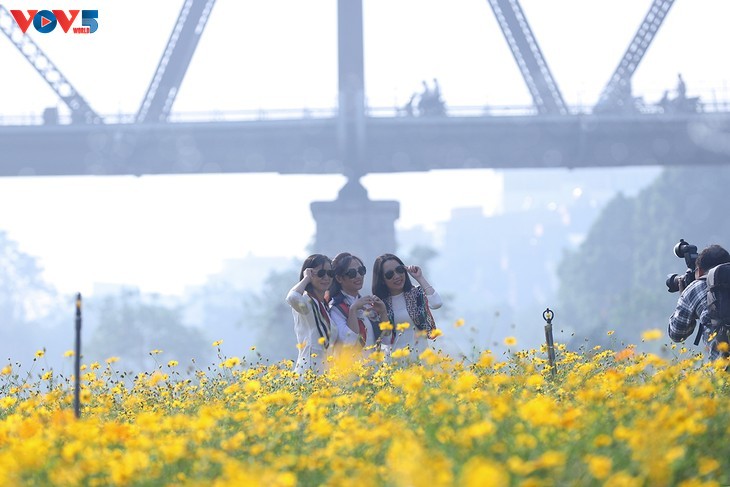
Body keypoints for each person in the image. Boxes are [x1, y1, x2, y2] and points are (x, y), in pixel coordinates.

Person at [668, 244, 730, 361]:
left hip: (723, 368)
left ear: (699, 271)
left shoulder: (695, 288)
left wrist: (684, 297)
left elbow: (677, 334)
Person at [372, 253, 442, 354]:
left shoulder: (417, 294)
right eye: (389, 274)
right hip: (396, 361)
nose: (396, 276)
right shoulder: (380, 304)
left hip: (422, 357)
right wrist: (382, 312)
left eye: (400, 270)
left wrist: (419, 278)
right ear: (382, 280)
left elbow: (437, 303)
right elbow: (385, 339)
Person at [285, 254, 337, 375]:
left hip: (325, 370)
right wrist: (306, 278)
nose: (326, 277)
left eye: (330, 273)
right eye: (320, 273)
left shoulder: (324, 305)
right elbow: (292, 297)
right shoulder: (306, 302)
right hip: (308, 369)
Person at [327, 252, 388, 353]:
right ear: (339, 278)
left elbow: (387, 340)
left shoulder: (368, 304)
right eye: (351, 273)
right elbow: (349, 342)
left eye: (361, 271)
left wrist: (383, 312)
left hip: (375, 365)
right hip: (353, 367)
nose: (358, 276)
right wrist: (353, 310)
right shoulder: (335, 309)